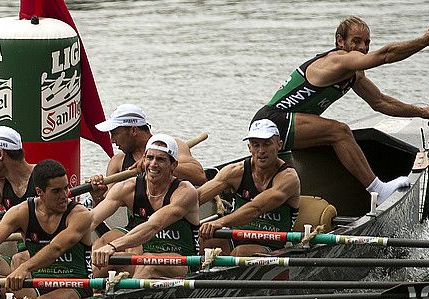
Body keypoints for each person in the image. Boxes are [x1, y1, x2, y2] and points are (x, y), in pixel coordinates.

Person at [252, 17, 429, 203]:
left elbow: (381, 102)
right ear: (340, 41)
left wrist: (423, 112)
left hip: (282, 126)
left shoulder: (354, 74)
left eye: (367, 43)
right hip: (273, 122)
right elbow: (385, 55)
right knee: (339, 132)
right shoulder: (338, 61)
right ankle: (378, 189)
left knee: (288, 192)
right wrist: (424, 41)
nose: (363, 48)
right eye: (356, 41)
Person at [92, 135, 199, 279]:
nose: (153, 164)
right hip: (144, 258)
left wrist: (112, 246)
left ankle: (126, 298)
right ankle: (86, 294)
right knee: (105, 261)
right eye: (150, 158)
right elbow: (91, 220)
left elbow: (154, 225)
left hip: (183, 263)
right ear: (143, 160)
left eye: (161, 159)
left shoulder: (185, 191)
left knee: (148, 262)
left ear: (173, 165)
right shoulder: (128, 187)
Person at [196, 119, 301, 256]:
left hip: (272, 244)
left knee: (241, 252)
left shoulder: (288, 178)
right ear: (249, 148)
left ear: (279, 145)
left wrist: (219, 222)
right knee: (206, 240)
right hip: (236, 237)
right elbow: (196, 198)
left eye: (267, 144)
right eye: (256, 145)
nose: (261, 151)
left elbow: (256, 208)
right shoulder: (235, 172)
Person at [0, 159, 93, 299]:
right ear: (39, 192)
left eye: (66, 188)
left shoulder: (80, 215)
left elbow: (56, 248)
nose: (65, 195)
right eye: (56, 191)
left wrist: (25, 267)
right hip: (38, 285)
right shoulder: (21, 212)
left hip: (76, 286)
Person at [90, 103, 205, 190]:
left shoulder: (174, 145)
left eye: (114, 134)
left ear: (134, 130)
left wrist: (154, 165)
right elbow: (106, 208)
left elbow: (200, 177)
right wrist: (98, 196)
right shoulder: (117, 162)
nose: (112, 140)